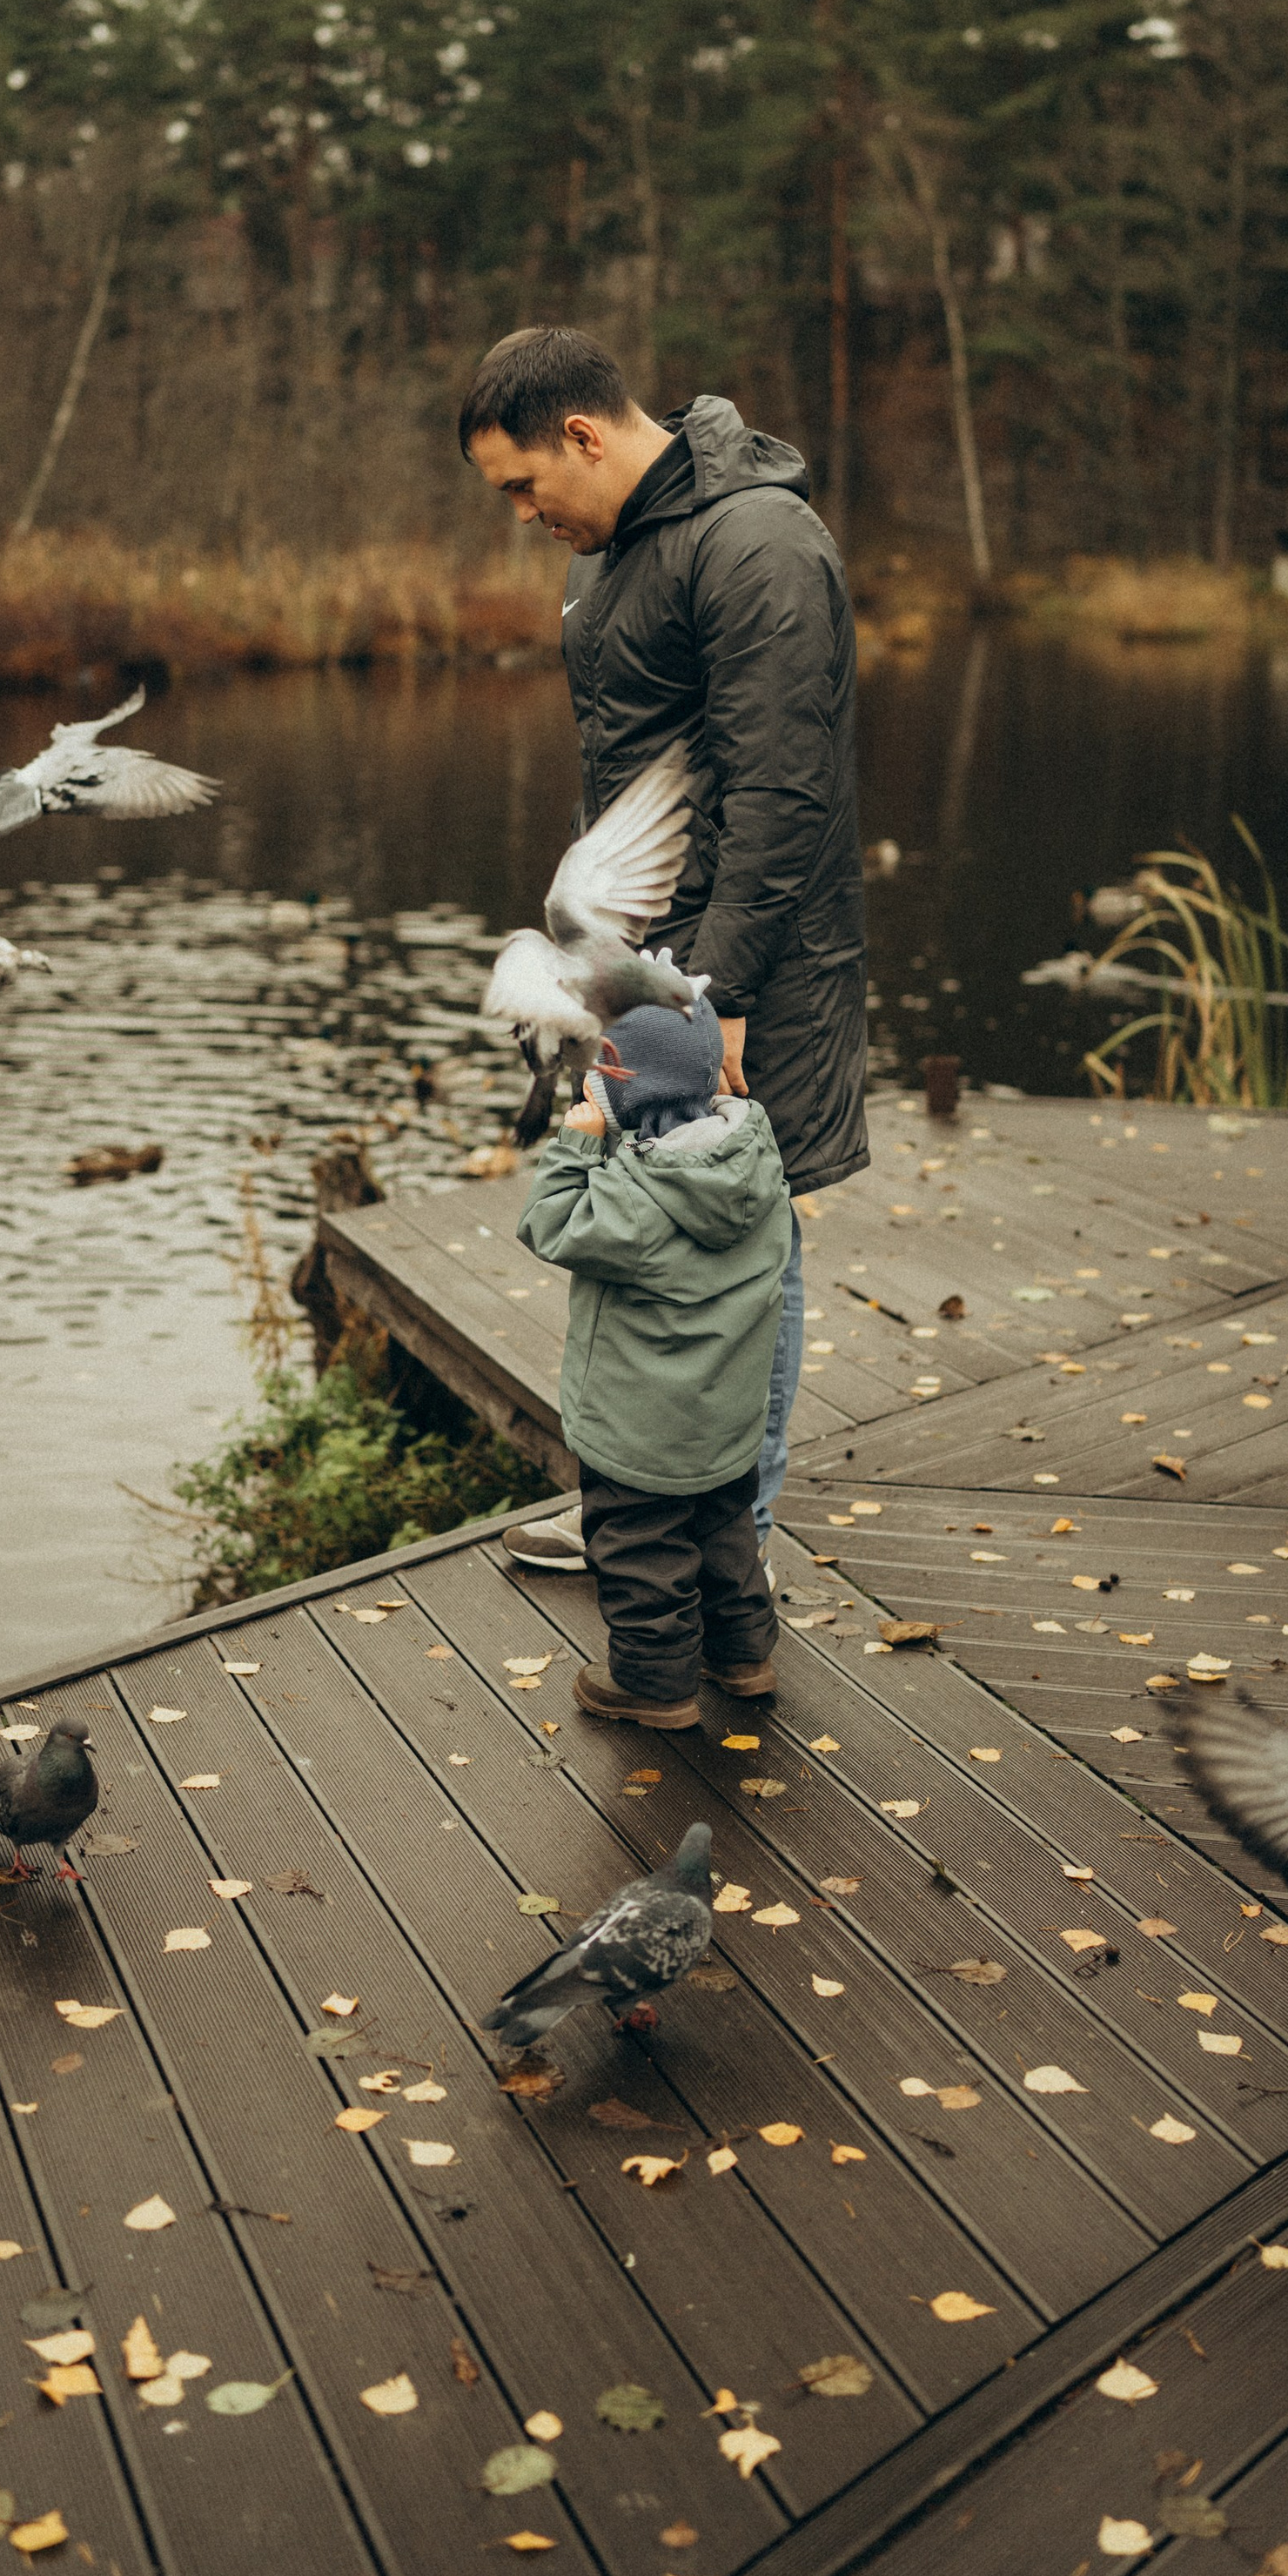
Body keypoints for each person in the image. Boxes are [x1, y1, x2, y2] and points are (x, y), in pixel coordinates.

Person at [459, 325, 868, 1570]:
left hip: (745, 972)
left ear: (584, 434)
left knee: (746, 1239)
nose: (522, 514)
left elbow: (782, 789)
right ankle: (650, 1520)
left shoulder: (757, 544)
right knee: (650, 1239)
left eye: (525, 485)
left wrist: (724, 993)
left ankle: (727, 1543)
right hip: (646, 979)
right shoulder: (615, 548)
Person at [514, 992, 791, 1728]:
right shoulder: (755, 1160)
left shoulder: (633, 1199)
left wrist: (578, 1142)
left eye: (593, 1075)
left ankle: (653, 1683)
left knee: (641, 1551)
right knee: (726, 1535)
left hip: (639, 1428)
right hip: (725, 1418)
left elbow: (548, 1222)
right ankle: (744, 1657)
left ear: (619, 1090)